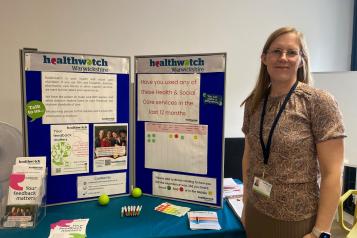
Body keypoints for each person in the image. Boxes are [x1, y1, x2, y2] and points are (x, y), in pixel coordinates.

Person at [240, 27, 345, 238]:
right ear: (264, 58)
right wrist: (245, 202)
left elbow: (332, 173)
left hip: (297, 222)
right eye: (276, 51)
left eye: (292, 52)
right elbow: (248, 156)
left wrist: (320, 231)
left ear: (302, 61)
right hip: (255, 212)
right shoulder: (254, 102)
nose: (283, 58)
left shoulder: (318, 102)